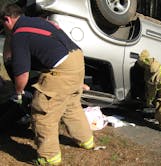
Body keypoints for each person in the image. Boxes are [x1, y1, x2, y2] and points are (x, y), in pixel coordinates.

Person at [0, 3, 94, 165]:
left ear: (7, 19)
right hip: (77, 60)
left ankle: (49, 157)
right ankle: (86, 140)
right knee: (71, 105)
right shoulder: (37, 21)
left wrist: (19, 91)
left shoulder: (20, 34)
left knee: (43, 112)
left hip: (61, 69)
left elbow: (22, 73)